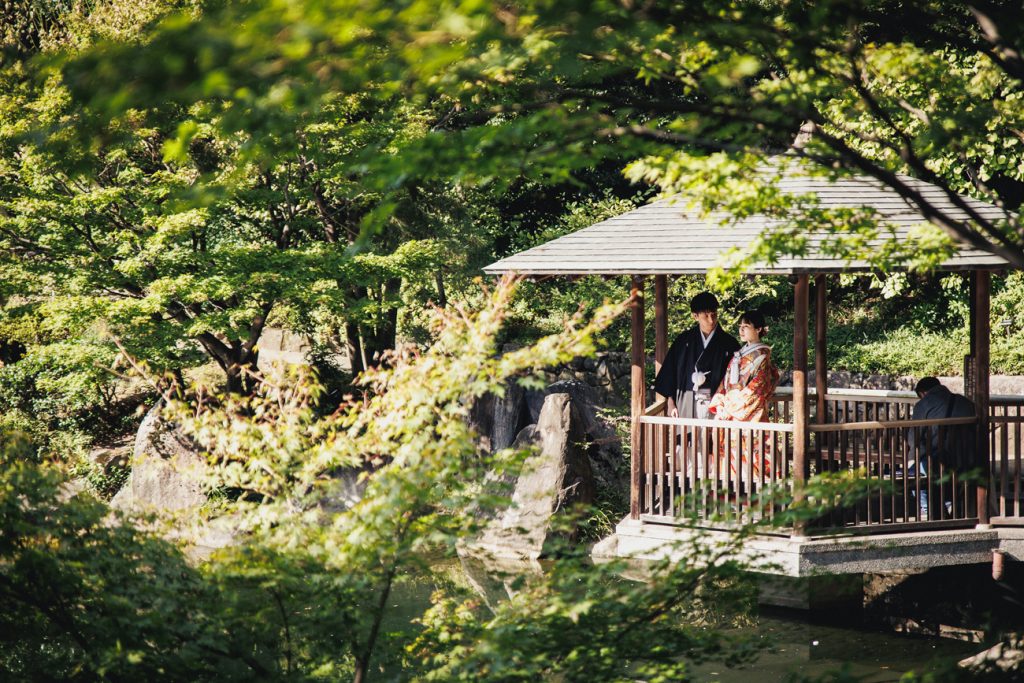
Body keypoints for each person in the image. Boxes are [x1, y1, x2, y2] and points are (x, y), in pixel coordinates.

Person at [708, 310, 780, 483]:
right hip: (731, 414)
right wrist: (720, 404)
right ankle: (733, 498)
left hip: (748, 415)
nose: (741, 330)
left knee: (752, 454)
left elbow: (757, 388)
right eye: (740, 326)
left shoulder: (762, 355)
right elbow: (726, 383)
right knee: (730, 457)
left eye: (746, 327)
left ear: (759, 329)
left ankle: (757, 500)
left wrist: (731, 410)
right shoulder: (740, 354)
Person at [654, 292, 740, 420]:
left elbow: (737, 378)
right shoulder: (683, 341)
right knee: (688, 437)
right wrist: (671, 402)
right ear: (695, 316)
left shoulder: (729, 343)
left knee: (714, 438)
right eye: (706, 315)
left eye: (714, 314)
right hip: (687, 400)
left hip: (718, 404)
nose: (711, 320)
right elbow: (669, 372)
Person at [908, 377, 977, 518]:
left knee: (912, 475)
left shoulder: (923, 405)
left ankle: (930, 511)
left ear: (923, 393)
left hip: (937, 460)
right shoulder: (965, 402)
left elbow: (913, 438)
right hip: (966, 459)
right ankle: (957, 510)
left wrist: (916, 455)